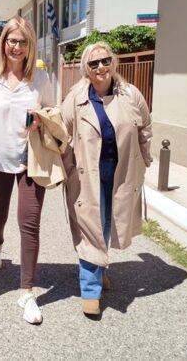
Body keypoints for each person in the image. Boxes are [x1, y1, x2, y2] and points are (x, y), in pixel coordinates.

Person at [61, 41, 152, 317]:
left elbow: (145, 128)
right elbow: (62, 134)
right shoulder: (75, 97)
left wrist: (144, 160)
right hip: (86, 174)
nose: (100, 67)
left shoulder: (130, 94)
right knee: (91, 227)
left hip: (121, 172)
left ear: (113, 63)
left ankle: (99, 271)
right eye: (93, 63)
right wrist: (66, 168)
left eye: (105, 61)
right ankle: (90, 290)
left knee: (108, 224)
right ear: (85, 68)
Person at [0, 16, 54, 325]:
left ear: (30, 45)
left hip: (30, 161)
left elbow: (52, 112)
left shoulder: (40, 79)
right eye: (12, 40)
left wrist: (41, 119)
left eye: (23, 41)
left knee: (30, 224)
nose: (17, 47)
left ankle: (26, 292)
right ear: (3, 43)